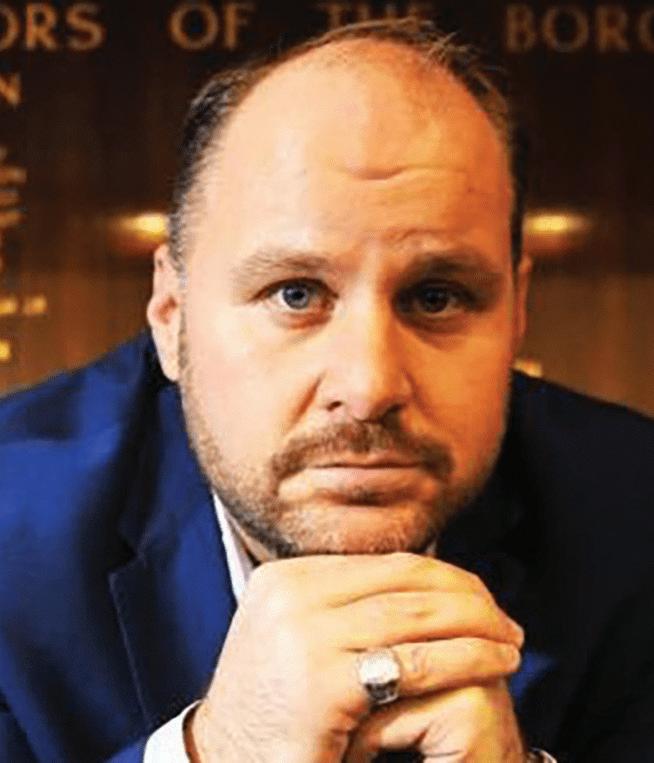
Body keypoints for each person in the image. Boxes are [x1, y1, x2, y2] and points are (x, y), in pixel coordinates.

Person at [1, 17, 653, 763]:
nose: (369, 385)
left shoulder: (636, 520)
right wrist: (219, 751)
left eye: (436, 297)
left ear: (518, 312)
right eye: (295, 294)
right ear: (172, 314)